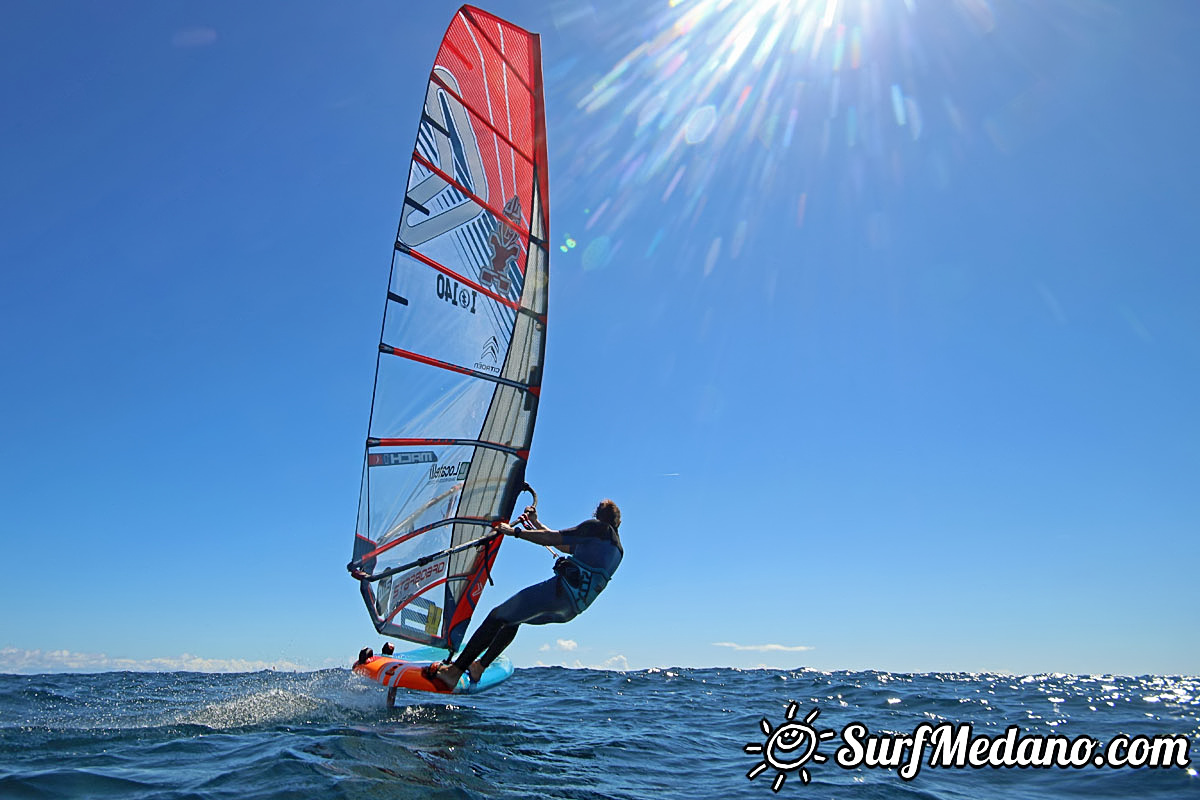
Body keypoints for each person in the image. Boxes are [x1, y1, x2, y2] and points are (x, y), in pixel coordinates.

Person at [433, 499, 624, 690]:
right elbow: (564, 546)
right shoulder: (616, 548)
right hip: (571, 610)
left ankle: (454, 672)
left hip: (558, 594)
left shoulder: (598, 528)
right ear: (618, 522)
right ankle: (478, 668)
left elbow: (552, 538)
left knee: (497, 616)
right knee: (513, 619)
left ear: (596, 516)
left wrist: (513, 531)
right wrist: (535, 523)